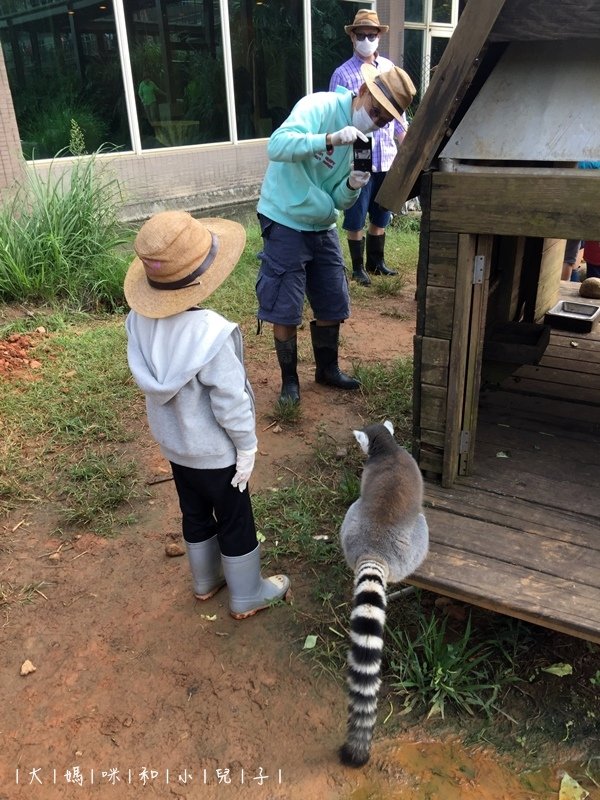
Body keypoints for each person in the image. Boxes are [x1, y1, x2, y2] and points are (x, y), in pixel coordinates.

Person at [124, 211, 290, 620]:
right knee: (235, 518)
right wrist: (247, 446)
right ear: (202, 277)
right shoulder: (212, 334)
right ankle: (247, 594)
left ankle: (204, 581)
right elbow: (230, 400)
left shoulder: (137, 322)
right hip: (218, 454)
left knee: (194, 511)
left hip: (178, 450)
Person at [256, 63, 415, 404]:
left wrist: (353, 185)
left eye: (384, 120)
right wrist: (328, 139)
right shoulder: (319, 106)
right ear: (362, 93)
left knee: (332, 297)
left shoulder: (364, 142)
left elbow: (342, 202)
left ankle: (327, 369)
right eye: (375, 112)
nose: (375, 122)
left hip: (322, 222)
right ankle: (289, 381)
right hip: (285, 215)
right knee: (285, 304)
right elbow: (278, 145)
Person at [329, 9, 414, 286]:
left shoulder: (390, 70)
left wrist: (408, 153)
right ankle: (357, 267)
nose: (367, 39)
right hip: (359, 154)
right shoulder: (342, 74)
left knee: (382, 211)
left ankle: (376, 262)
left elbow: (400, 120)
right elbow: (336, 114)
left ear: (379, 36)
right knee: (356, 214)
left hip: (387, 156)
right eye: (361, 34)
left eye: (372, 35)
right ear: (353, 37)